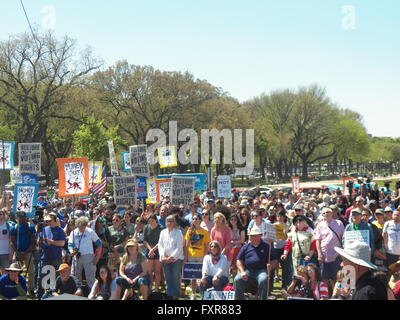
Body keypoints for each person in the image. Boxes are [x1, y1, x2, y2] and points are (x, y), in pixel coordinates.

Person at [234, 226, 277, 300]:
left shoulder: (267, 246)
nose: (251, 237)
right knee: (237, 279)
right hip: (248, 271)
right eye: (250, 236)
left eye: (254, 236)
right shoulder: (245, 247)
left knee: (263, 279)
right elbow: (239, 260)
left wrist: (271, 267)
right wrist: (242, 271)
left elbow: (274, 261)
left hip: (261, 271)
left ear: (259, 236)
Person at [68, 216, 102, 290]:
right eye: (80, 226)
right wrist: (72, 252)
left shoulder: (90, 231)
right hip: (76, 256)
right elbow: (70, 245)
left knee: (90, 277)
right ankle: (77, 293)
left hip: (88, 256)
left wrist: (97, 257)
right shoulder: (73, 232)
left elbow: (99, 244)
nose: (82, 228)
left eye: (83, 226)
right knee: (75, 276)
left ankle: (92, 294)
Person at [37, 213, 66, 299]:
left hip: (55, 258)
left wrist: (50, 241)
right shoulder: (44, 229)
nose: (47, 222)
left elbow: (62, 243)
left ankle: (53, 296)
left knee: (55, 278)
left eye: (49, 221)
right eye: (46, 221)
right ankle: (40, 296)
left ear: (55, 221)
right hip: (44, 257)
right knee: (41, 277)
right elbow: (38, 243)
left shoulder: (60, 230)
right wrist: (39, 240)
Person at [314, 208, 344, 283]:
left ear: (332, 213)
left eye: (327, 212)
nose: (325, 214)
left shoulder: (339, 223)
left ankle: (335, 293)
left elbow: (343, 238)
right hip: (324, 255)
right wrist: (319, 253)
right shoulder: (320, 225)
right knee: (324, 277)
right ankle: (326, 293)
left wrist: (342, 253)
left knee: (336, 277)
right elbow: (318, 240)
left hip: (336, 255)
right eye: (323, 213)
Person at [184, 213, 210, 300]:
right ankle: (194, 294)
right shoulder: (189, 231)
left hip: (201, 257)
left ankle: (203, 294)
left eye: (196, 219)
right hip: (191, 256)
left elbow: (207, 246)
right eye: (193, 219)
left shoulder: (205, 232)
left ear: (200, 220)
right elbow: (186, 246)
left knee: (202, 276)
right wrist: (186, 257)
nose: (194, 220)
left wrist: (205, 257)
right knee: (193, 277)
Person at [158, 215, 184, 299]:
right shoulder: (162, 232)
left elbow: (179, 247)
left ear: (174, 223)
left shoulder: (178, 232)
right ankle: (169, 296)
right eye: (167, 221)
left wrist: (171, 257)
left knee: (175, 278)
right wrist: (162, 255)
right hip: (165, 259)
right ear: (165, 223)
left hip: (176, 259)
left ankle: (175, 296)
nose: (169, 223)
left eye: (171, 221)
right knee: (167, 278)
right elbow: (160, 245)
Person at [9, 211, 36, 295]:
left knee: (31, 272)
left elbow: (33, 241)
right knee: (14, 271)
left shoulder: (30, 227)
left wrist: (25, 253)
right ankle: (15, 288)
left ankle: (31, 289)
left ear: (26, 217)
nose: (21, 219)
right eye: (19, 217)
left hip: (28, 252)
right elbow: (12, 242)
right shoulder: (14, 227)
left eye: (23, 217)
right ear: (17, 218)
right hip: (17, 252)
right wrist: (17, 253)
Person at [143, 214, 163, 291]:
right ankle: (150, 287)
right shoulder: (146, 227)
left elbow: (161, 241)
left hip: (158, 251)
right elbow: (144, 240)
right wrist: (150, 249)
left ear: (155, 220)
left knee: (157, 271)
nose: (150, 222)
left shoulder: (161, 228)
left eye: (151, 221)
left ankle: (157, 288)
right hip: (149, 251)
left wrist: (153, 250)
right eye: (149, 221)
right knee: (149, 271)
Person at [0, 209, 12, 273]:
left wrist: (11, 253)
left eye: (0, 214)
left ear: (3, 215)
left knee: (5, 272)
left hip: (5, 253)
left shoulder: (8, 225)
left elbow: (11, 240)